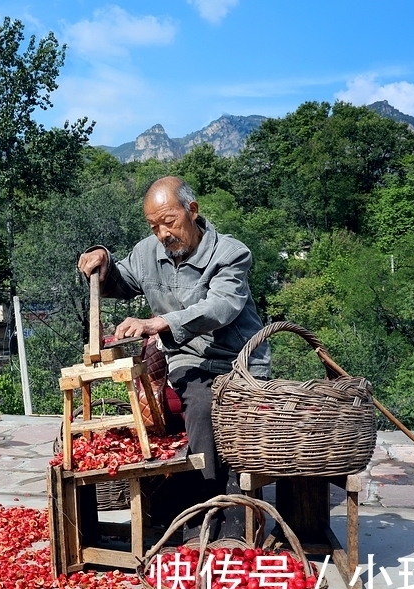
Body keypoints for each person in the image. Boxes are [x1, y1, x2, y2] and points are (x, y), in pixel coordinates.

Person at [78, 176, 270, 538]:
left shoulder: (231, 253)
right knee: (198, 399)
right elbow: (121, 280)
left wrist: (159, 322)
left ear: (192, 211)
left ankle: (217, 509)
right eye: (154, 226)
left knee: (214, 403)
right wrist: (102, 259)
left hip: (238, 360)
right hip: (188, 359)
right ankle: (202, 507)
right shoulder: (147, 253)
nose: (163, 234)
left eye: (169, 222)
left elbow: (222, 306)